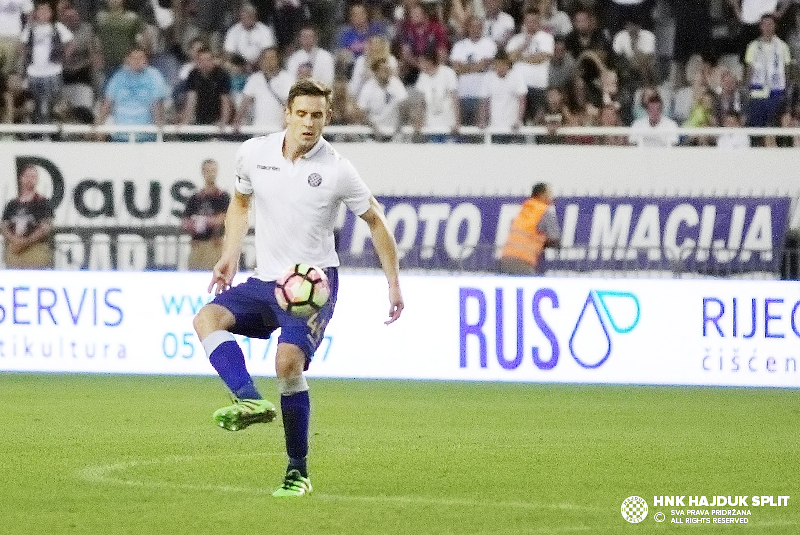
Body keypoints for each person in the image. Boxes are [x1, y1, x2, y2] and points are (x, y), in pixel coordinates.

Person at [191, 78, 404, 498]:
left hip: (313, 286)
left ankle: (297, 471)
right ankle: (248, 399)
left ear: (328, 118)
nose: (308, 123)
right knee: (207, 318)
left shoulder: (338, 169)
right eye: (301, 114)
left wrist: (393, 283)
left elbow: (375, 220)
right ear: (287, 113)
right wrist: (231, 254)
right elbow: (240, 201)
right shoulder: (254, 153)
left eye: (317, 116)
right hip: (268, 280)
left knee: (287, 364)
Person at [94, 46, 169, 142]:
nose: (137, 61)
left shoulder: (154, 76)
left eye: (141, 57)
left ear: (146, 60)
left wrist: (159, 130)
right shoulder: (118, 77)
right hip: (121, 136)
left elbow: (157, 104)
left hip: (146, 136)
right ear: (127, 60)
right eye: (133, 58)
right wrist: (98, 123)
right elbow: (107, 103)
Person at [20, 0, 74, 125]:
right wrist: (27, 58)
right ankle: (37, 132)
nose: (43, 13)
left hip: (53, 72)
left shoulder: (57, 27)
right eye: (40, 10)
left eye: (46, 10)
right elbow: (21, 44)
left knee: (53, 104)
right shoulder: (30, 27)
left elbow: (71, 43)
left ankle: (51, 133)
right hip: (34, 73)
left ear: (51, 13)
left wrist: (63, 57)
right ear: (36, 13)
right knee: (35, 105)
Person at [499, 182, 561, 275]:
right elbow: (555, 238)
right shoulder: (544, 211)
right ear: (542, 194)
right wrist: (543, 242)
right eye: (550, 193)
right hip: (523, 260)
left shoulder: (525, 208)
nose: (553, 196)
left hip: (506, 257)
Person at [1, 164, 54, 269]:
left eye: (33, 177)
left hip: (35, 254)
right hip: (14, 255)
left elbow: (45, 227)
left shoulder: (43, 202)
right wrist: (14, 240)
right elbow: (3, 225)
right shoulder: (12, 204)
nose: (30, 179)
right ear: (21, 178)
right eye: (28, 176)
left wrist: (25, 242)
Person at [181, 159, 230, 271]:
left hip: (215, 244)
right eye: (208, 171)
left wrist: (201, 222)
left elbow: (223, 218)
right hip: (197, 245)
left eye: (213, 170)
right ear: (203, 172)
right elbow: (185, 222)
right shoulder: (195, 198)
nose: (211, 174)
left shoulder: (222, 196)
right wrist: (207, 222)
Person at [234, 47, 292, 133]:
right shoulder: (254, 78)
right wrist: (237, 119)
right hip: (258, 128)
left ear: (277, 60)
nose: (269, 61)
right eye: (266, 58)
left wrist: (287, 123)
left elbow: (289, 103)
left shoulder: (287, 79)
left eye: (272, 58)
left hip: (279, 129)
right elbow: (245, 101)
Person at [179, 47, 232, 133]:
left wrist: (223, 121)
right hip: (200, 116)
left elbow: (225, 100)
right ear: (197, 62)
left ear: (213, 61)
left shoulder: (222, 75)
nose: (205, 63)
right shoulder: (193, 74)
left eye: (208, 60)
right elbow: (191, 99)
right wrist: (185, 121)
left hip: (217, 117)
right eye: (201, 60)